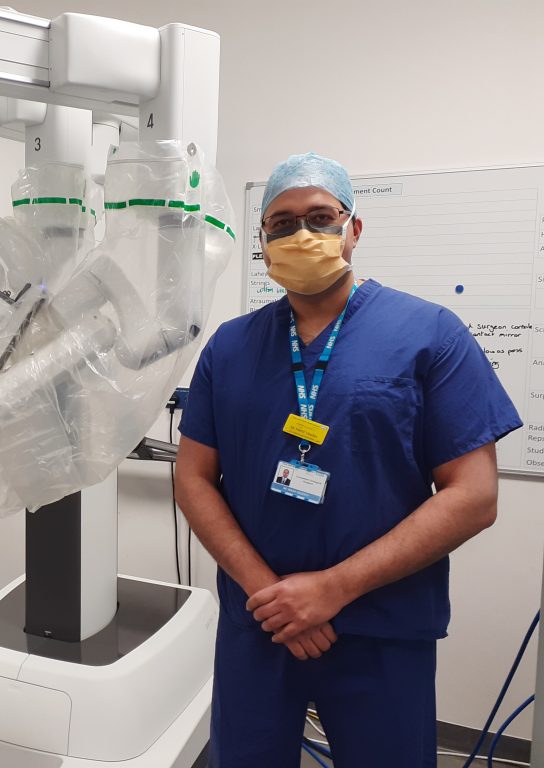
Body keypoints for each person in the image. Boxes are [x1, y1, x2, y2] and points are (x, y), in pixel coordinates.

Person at [174, 153, 522, 767]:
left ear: (354, 229)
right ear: (262, 242)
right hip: (262, 623)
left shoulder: (429, 334)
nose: (299, 234)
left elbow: (474, 495)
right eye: (280, 224)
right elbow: (194, 477)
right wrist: (273, 595)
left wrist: (333, 589)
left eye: (319, 217)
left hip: (380, 625)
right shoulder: (230, 346)